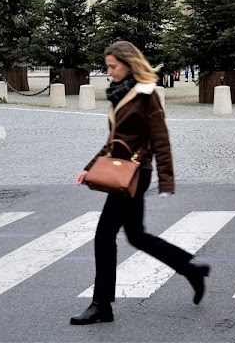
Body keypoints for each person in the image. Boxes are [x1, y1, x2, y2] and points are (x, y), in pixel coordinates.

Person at [71, 41, 209, 325]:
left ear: (128, 64)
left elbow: (161, 139)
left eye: (113, 66)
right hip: (123, 169)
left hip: (136, 173)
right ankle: (190, 269)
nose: (109, 72)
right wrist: (90, 168)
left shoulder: (146, 95)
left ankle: (101, 305)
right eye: (107, 66)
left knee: (104, 235)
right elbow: (115, 140)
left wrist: (166, 180)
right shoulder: (120, 93)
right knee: (136, 235)